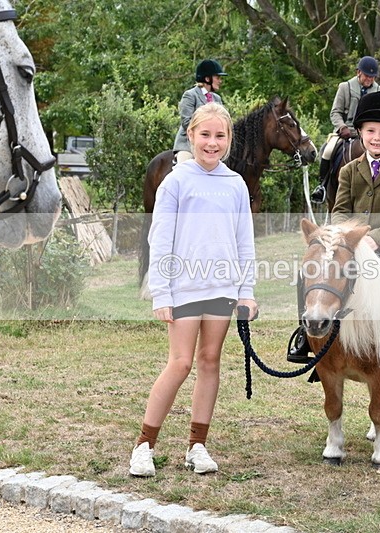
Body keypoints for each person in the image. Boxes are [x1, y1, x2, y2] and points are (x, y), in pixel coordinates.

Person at [129, 103, 257, 477]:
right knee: (181, 363)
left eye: (220, 136)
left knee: (210, 361)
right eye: (205, 135)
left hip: (222, 287)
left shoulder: (235, 185)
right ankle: (144, 445)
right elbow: (161, 237)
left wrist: (246, 291)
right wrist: (161, 292)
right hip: (184, 287)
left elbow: (244, 242)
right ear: (191, 136)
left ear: (229, 140)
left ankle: (197, 445)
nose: (212, 143)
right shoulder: (176, 181)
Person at [288, 91, 380, 366]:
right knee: (306, 272)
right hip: (347, 244)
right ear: (361, 133)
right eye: (371, 131)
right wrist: (342, 237)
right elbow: (340, 208)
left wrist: (376, 240)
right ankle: (304, 335)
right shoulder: (348, 170)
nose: (377, 137)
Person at [311, 56, 380, 203]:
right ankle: (322, 186)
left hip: (369, 133)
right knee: (328, 150)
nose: (369, 79)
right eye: (366, 76)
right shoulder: (345, 87)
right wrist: (342, 127)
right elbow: (335, 112)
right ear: (358, 72)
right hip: (346, 132)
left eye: (372, 77)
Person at [172, 59, 227, 164]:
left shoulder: (217, 99)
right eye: (217, 77)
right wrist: (204, 132)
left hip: (212, 144)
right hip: (189, 145)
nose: (220, 81)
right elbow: (186, 122)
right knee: (184, 167)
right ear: (207, 78)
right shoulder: (190, 95)